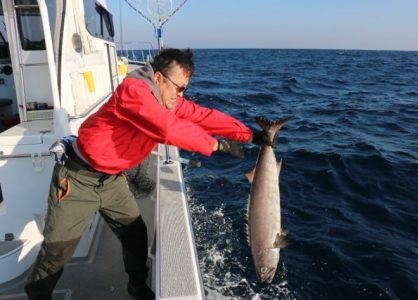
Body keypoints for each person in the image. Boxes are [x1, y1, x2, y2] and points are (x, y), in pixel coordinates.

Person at [24, 48, 268, 300]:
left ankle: (136, 285)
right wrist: (216, 145)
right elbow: (166, 128)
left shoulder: (166, 99)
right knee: (57, 251)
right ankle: (37, 295)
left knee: (135, 234)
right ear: (159, 78)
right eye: (178, 88)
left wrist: (249, 135)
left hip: (112, 181)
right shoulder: (134, 90)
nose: (180, 95)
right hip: (77, 180)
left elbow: (203, 116)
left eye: (185, 89)